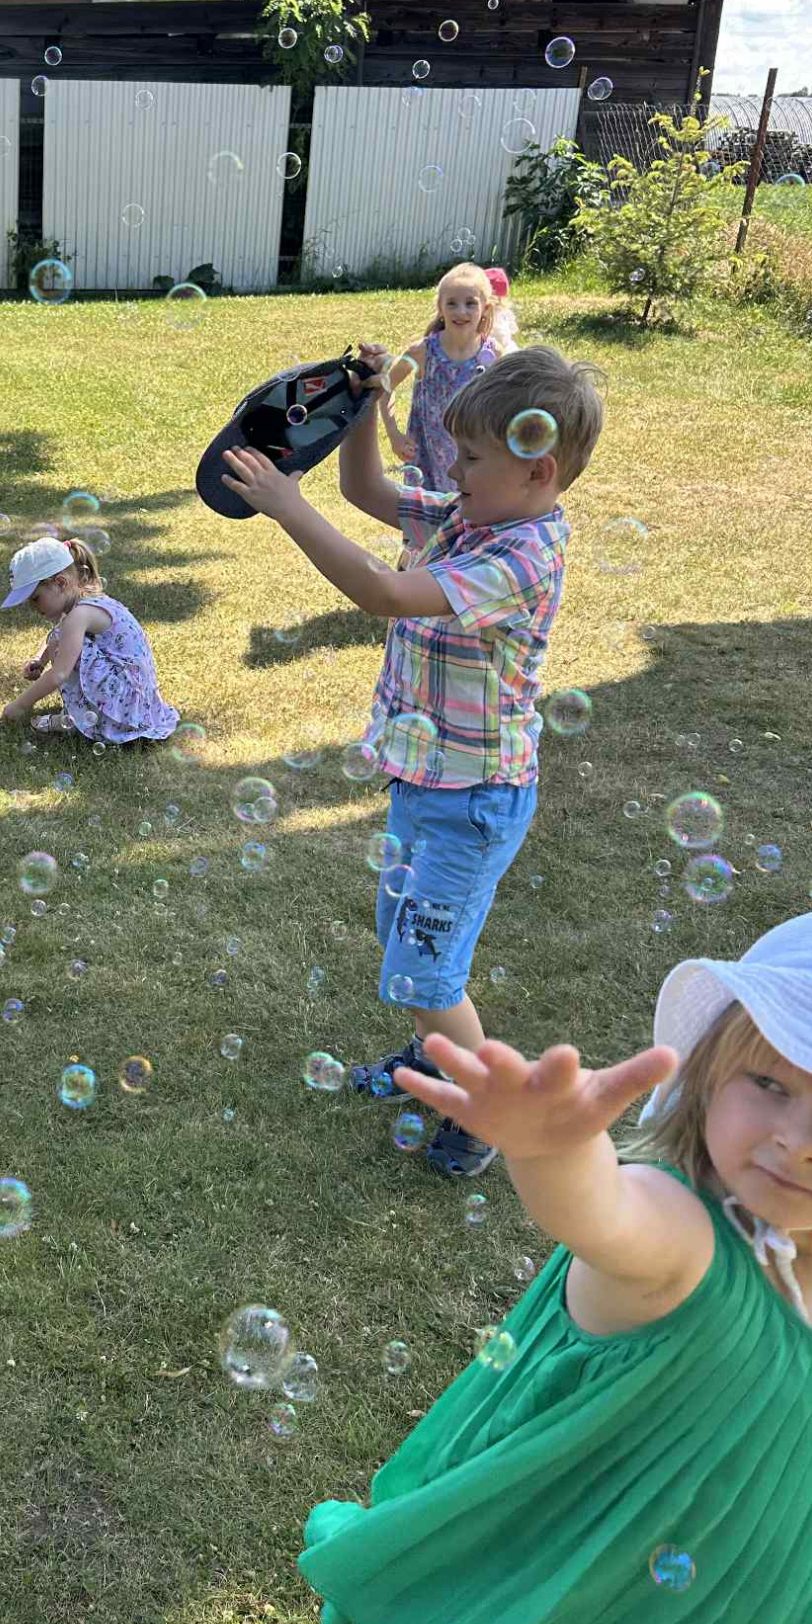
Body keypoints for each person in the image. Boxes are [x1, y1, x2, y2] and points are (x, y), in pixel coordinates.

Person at [296, 907, 812, 1624]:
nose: (801, 1142)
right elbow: (607, 1214)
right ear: (707, 1079)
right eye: (770, 1083)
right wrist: (552, 1153)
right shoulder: (686, 1239)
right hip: (629, 1606)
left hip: (760, 1616)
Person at [220, 343, 604, 1176]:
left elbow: (386, 592)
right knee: (405, 941)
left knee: (427, 973)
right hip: (425, 781)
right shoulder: (475, 514)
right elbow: (366, 490)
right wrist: (363, 407)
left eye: (470, 458)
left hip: (473, 802)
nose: (452, 469)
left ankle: (491, 1111)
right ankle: (434, 1058)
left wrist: (288, 508)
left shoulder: (520, 557)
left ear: (538, 471)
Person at [0, 535, 179, 743]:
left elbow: (59, 674)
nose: (33, 607)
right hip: (138, 700)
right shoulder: (88, 600)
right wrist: (40, 659)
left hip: (126, 706)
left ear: (60, 583)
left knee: (63, 649)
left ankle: (82, 720)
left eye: (36, 598)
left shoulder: (78, 615)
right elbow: (58, 633)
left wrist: (20, 705)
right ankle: (80, 716)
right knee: (61, 640)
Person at [377, 262, 512, 492]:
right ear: (440, 307)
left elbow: (508, 404)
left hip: (475, 462)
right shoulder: (423, 352)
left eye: (470, 303)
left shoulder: (494, 355)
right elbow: (385, 387)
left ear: (486, 308)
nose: (461, 311)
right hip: (427, 464)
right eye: (452, 303)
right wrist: (394, 435)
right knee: (430, 515)